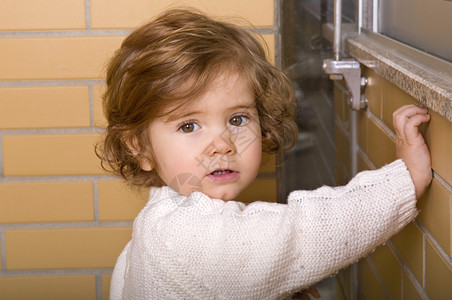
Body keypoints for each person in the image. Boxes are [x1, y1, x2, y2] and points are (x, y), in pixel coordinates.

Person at [97, 8, 432, 300]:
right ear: (139, 147)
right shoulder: (185, 238)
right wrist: (405, 180)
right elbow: (304, 234)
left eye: (237, 119)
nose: (223, 144)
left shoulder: (157, 220)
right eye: (189, 126)